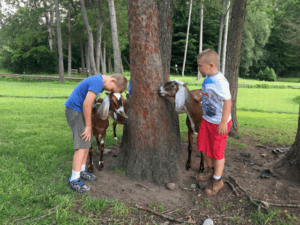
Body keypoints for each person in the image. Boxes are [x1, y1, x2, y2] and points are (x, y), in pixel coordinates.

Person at [65, 74, 127, 193]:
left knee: (87, 143)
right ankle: (74, 179)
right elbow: (87, 104)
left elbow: (93, 98)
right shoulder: (97, 82)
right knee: (81, 146)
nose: (109, 91)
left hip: (80, 111)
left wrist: (106, 101)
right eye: (112, 89)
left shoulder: (100, 83)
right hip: (75, 111)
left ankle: (82, 171)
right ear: (112, 80)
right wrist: (88, 127)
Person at [196, 49, 232, 196]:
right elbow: (207, 94)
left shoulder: (220, 81)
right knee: (202, 146)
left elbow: (228, 101)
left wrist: (223, 122)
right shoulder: (208, 78)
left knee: (217, 153)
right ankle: (210, 170)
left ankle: (217, 181)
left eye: (200, 66)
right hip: (207, 120)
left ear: (211, 65)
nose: (198, 68)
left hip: (218, 123)